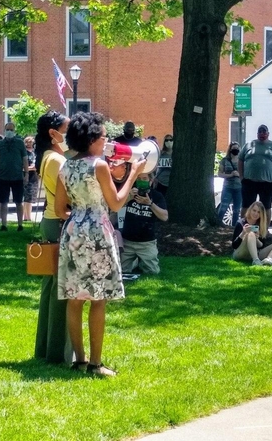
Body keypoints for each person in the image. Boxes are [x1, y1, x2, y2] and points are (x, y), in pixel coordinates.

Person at [55, 111, 146, 376]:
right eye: (104, 136)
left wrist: (80, 216)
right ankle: (96, 364)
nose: (106, 140)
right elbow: (116, 202)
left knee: (75, 298)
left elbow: (61, 209)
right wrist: (132, 174)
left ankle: (79, 361)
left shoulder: (66, 166)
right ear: (92, 138)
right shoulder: (99, 165)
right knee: (98, 298)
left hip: (73, 231)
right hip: (97, 229)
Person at [34, 110, 71, 365]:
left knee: (50, 288)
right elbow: (68, 196)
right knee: (61, 289)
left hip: (50, 222)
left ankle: (45, 348)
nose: (71, 135)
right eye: (67, 130)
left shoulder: (48, 156)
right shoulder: (57, 160)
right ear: (53, 133)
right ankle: (58, 353)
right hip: (58, 223)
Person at [238, 124, 272, 227]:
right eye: (260, 132)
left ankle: (265, 230)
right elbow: (240, 160)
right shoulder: (249, 145)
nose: (262, 134)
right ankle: (243, 227)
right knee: (246, 206)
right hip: (249, 181)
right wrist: (241, 177)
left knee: (266, 207)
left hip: (267, 183)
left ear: (268, 134)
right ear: (257, 134)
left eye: (264, 132)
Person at [121, 172, 168, 274]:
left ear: (150, 181)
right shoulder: (130, 193)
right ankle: (135, 262)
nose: (141, 181)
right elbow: (115, 207)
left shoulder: (156, 196)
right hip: (128, 241)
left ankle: (140, 261)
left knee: (153, 272)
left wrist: (150, 203)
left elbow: (164, 217)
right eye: (139, 179)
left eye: (144, 178)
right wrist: (129, 197)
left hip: (146, 242)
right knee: (122, 271)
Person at [0, 122, 28, 231]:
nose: (9, 131)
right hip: (3, 177)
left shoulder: (20, 143)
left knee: (18, 202)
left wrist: (26, 173)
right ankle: (4, 225)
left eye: (11, 130)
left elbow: (25, 159)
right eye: (8, 129)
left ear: (14, 131)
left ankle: (20, 225)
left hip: (17, 177)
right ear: (4, 130)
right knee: (3, 202)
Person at [232, 201, 272, 266]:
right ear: (250, 210)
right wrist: (243, 233)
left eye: (259, 212)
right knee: (251, 234)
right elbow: (234, 246)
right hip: (240, 253)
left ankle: (268, 260)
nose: (256, 214)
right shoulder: (241, 223)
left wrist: (256, 238)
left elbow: (262, 246)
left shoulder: (260, 225)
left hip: (255, 253)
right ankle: (256, 261)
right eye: (254, 210)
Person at [217, 141, 242, 227]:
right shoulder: (224, 161)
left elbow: (246, 174)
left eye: (237, 149)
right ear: (230, 150)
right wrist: (230, 175)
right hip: (227, 187)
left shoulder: (242, 161)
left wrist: (239, 175)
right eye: (234, 148)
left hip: (239, 188)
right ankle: (218, 224)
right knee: (223, 207)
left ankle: (234, 228)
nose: (236, 150)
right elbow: (219, 174)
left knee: (236, 210)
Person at [23, 136, 39, 222]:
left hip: (34, 177)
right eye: (27, 142)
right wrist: (30, 168)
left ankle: (28, 216)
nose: (29, 144)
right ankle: (26, 218)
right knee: (26, 198)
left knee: (31, 198)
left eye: (31, 142)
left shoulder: (35, 153)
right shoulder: (24, 153)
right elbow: (21, 167)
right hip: (26, 177)